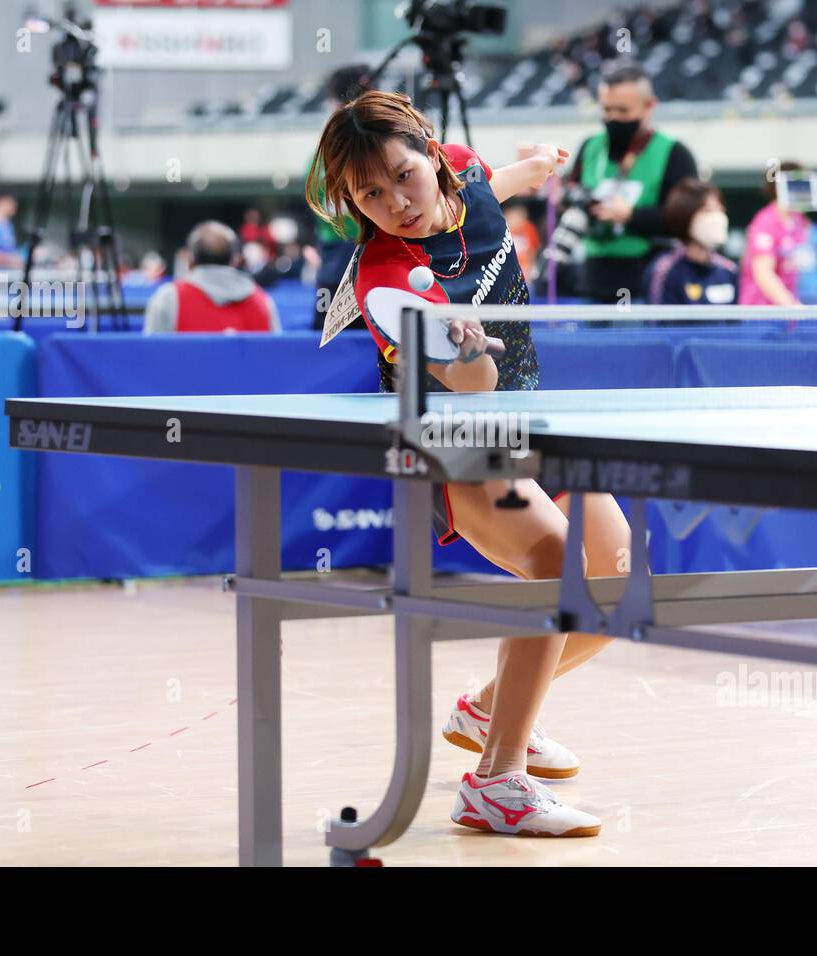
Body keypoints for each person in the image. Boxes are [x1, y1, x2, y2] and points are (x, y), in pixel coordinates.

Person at [306, 89, 631, 838]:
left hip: (532, 424)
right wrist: (466, 348)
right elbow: (466, 387)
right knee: (556, 565)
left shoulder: (458, 170)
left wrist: (535, 166)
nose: (396, 203)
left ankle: (488, 709)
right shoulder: (385, 280)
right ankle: (496, 782)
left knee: (618, 589)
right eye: (370, 195)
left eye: (402, 176)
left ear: (429, 151)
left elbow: (485, 183)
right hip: (457, 445)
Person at [561, 61, 697, 304]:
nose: (613, 118)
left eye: (623, 111)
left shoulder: (674, 153)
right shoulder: (590, 146)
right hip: (592, 281)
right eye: (606, 109)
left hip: (648, 284)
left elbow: (687, 219)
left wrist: (631, 215)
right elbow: (570, 197)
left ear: (649, 106)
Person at [308, 63, 375, 331]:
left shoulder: (322, 156)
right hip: (372, 268)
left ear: (334, 103)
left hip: (337, 272)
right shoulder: (387, 150)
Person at [143, 221, 279, 334]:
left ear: (190, 261)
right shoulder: (263, 302)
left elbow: (151, 358)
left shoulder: (168, 298)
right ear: (235, 260)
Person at [644, 178, 737, 310]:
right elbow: (658, 324)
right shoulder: (664, 270)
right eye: (708, 211)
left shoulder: (728, 270)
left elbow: (736, 323)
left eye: (720, 210)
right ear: (686, 215)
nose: (718, 218)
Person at [738, 161, 810, 305]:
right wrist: (792, 306)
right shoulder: (765, 222)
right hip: (760, 313)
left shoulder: (798, 221)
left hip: (784, 314)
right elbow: (764, 274)